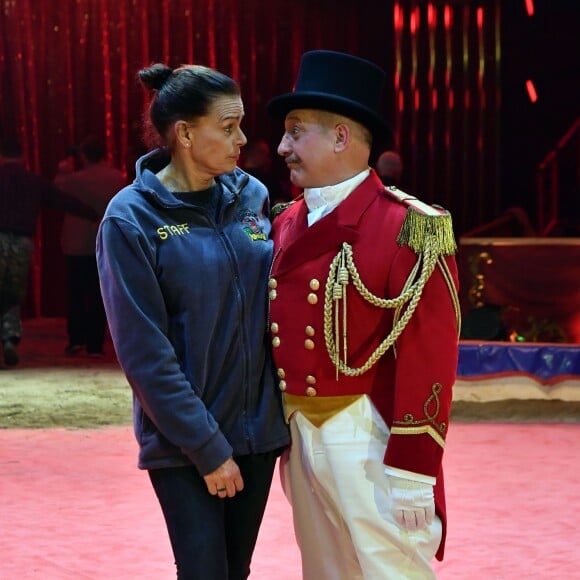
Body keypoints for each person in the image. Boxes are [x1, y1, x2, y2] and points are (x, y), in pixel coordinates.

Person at [266, 50, 461, 579]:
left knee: (391, 569)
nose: (282, 147)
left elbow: (430, 352)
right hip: (301, 431)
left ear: (340, 137)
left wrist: (416, 465)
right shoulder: (286, 222)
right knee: (324, 570)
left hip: (369, 432)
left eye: (295, 131)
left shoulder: (410, 226)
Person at [96, 63, 289, 579]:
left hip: (258, 436)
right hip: (185, 445)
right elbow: (144, 354)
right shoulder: (130, 218)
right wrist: (206, 449)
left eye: (241, 124)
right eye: (227, 127)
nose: (243, 139)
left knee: (235, 572)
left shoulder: (251, 195)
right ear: (183, 133)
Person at [0, 139, 98, 367]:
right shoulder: (32, 181)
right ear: (23, 156)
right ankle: (9, 338)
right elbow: (61, 200)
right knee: (12, 294)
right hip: (22, 242)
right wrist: (91, 214)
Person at [56, 136, 126, 357]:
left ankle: (77, 339)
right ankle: (96, 343)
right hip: (106, 240)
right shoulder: (117, 177)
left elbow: (56, 189)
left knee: (76, 293)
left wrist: (64, 169)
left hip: (76, 244)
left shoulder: (75, 179)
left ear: (84, 156)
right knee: (100, 294)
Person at [240, 138, 292, 207]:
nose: (268, 157)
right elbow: (280, 205)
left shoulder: (234, 178)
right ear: (256, 153)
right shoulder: (270, 181)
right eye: (264, 152)